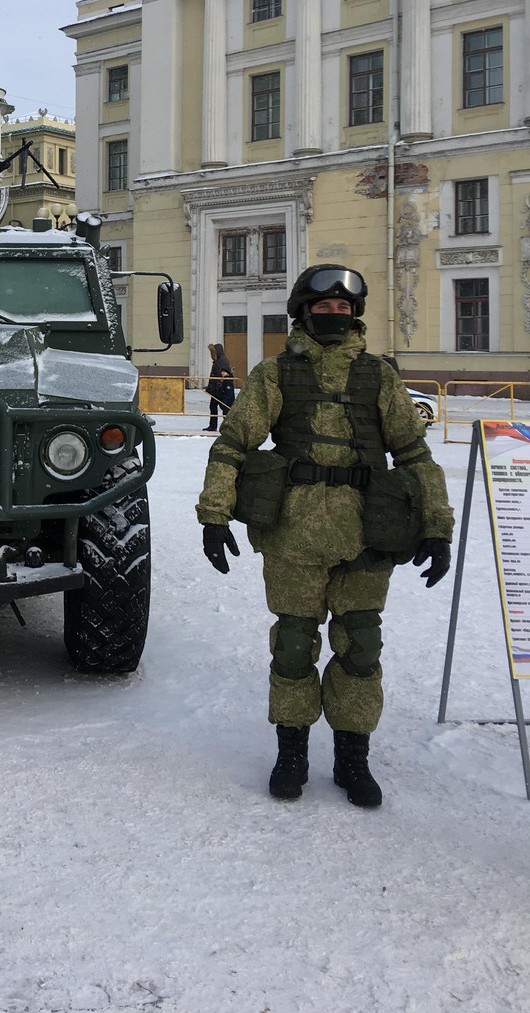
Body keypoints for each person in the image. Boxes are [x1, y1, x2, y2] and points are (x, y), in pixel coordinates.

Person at [195, 265, 453, 807]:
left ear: (354, 314)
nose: (333, 315)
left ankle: (352, 759)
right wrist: (214, 514)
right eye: (323, 307)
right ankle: (292, 754)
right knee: (292, 648)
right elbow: (232, 445)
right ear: (302, 312)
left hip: (366, 536)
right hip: (294, 536)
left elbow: (414, 455)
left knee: (361, 647)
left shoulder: (379, 378)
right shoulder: (275, 375)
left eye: (343, 307)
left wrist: (436, 527)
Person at [205, 342, 235, 432]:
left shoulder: (221, 362)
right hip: (216, 390)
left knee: (224, 408)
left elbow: (222, 377)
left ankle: (227, 426)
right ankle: (213, 425)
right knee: (214, 406)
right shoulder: (218, 361)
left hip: (220, 390)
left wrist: (216, 387)